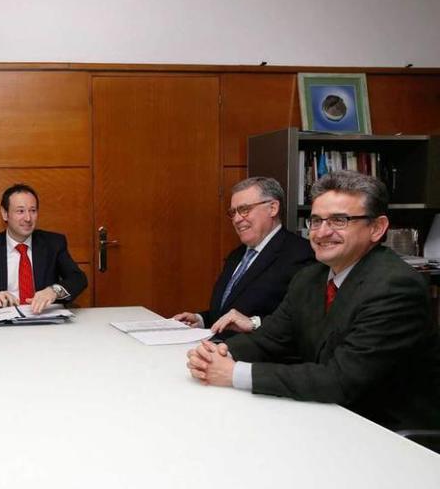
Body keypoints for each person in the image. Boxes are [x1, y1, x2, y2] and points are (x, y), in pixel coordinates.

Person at [186, 171, 440, 430]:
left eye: (339, 220)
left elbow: (341, 379)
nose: (322, 232)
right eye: (316, 221)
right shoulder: (310, 277)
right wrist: (215, 354)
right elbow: (269, 339)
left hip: (384, 430)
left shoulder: (396, 286)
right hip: (324, 413)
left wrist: (233, 373)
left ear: (376, 228)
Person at [173, 177, 313, 337]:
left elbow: (301, 321)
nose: (237, 219)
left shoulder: (301, 254)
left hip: (257, 358)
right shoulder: (237, 254)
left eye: (245, 209)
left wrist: (254, 323)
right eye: (233, 212)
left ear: (273, 208)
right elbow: (230, 311)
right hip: (218, 351)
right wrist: (201, 320)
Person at [0, 184, 87, 313]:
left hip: (44, 321)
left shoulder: (53, 244)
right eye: (20, 211)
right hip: (1, 328)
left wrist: (54, 291)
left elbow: (78, 278)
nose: (28, 218)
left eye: (33, 211)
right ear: (5, 214)